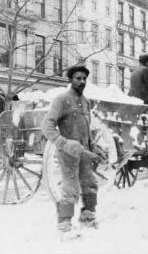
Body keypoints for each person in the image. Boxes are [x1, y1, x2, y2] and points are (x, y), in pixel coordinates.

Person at [41, 63, 101, 233]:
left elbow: (87, 128)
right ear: (70, 80)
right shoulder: (62, 100)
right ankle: (64, 224)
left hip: (84, 153)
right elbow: (46, 125)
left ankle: (88, 217)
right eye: (78, 78)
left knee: (90, 183)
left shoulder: (86, 102)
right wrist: (63, 143)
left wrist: (93, 147)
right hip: (67, 153)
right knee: (70, 187)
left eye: (84, 78)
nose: (82, 81)